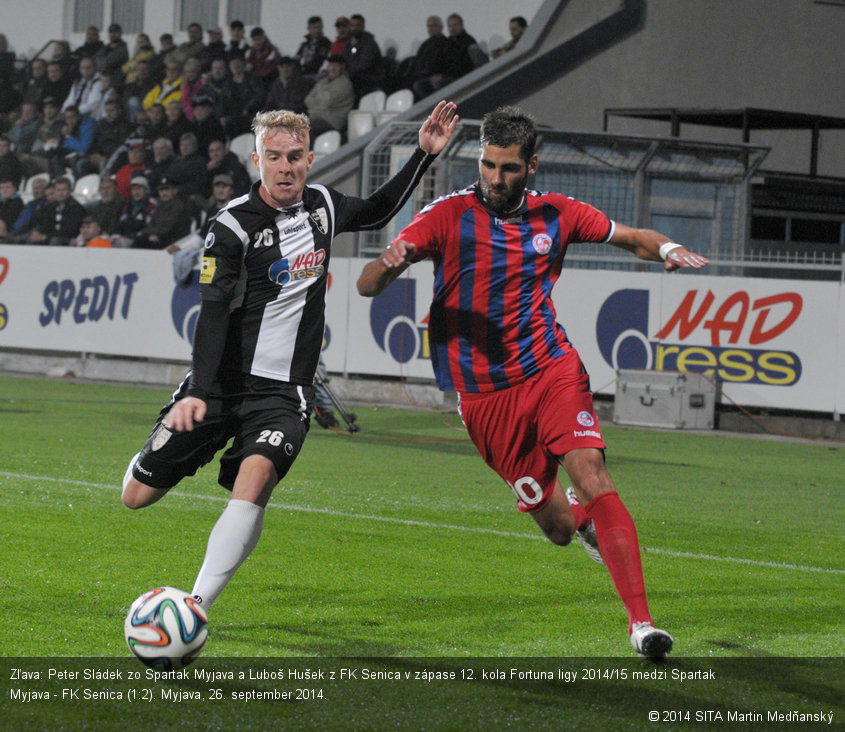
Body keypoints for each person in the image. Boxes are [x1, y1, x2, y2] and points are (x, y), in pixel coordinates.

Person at [357, 106, 709, 659]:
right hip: (484, 399)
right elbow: (366, 284)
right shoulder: (446, 216)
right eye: (489, 166)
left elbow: (633, 237)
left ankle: (641, 625)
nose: (497, 179)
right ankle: (582, 520)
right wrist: (392, 262)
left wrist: (665, 249)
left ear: (532, 166)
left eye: (510, 169)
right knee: (561, 529)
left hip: (550, 368)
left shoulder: (559, 215)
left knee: (593, 473)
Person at [120, 100, 459, 614]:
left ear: (309, 160)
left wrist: (422, 155)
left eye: (295, 156)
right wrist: (195, 393)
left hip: (285, 393)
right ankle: (165, 445)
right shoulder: (232, 226)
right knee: (135, 496)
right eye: (274, 157)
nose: (285, 167)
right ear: (258, 161)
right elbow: (212, 313)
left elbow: (376, 211)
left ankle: (196, 607)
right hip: (221, 383)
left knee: (255, 482)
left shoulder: (322, 204)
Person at [304, 55, 355, 138]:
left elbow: (328, 102)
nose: (333, 69)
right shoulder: (322, 82)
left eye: (336, 66)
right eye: (331, 65)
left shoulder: (344, 84)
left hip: (333, 121)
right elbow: (307, 100)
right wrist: (322, 98)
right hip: (317, 117)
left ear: (342, 67)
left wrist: (316, 100)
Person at [28, 175, 87, 246]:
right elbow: (45, 224)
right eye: (58, 190)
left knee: (54, 241)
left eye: (64, 190)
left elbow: (70, 232)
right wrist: (38, 233)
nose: (60, 193)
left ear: (69, 191)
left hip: (68, 240)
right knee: (30, 238)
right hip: (51, 237)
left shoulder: (76, 208)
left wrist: (45, 237)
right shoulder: (51, 207)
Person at [341, 14, 384, 98]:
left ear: (363, 26)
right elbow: (343, 59)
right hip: (354, 74)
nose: (355, 28)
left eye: (358, 25)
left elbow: (364, 65)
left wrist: (346, 71)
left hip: (368, 77)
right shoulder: (350, 43)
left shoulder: (369, 43)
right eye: (352, 25)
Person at [408, 16, 450, 101]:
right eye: (429, 26)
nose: (431, 28)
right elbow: (418, 63)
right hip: (423, 76)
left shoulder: (446, 43)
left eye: (434, 25)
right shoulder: (425, 45)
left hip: (437, 77)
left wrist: (440, 75)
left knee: (420, 86)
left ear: (440, 27)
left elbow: (447, 63)